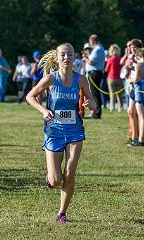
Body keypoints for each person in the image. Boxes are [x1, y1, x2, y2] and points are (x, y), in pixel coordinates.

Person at [26, 43, 96, 223]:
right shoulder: (50, 79)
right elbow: (30, 96)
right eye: (63, 55)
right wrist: (43, 110)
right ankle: (50, 179)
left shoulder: (81, 80)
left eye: (70, 54)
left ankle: (62, 213)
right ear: (57, 58)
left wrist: (91, 105)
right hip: (54, 131)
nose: (67, 57)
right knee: (56, 180)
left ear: (75, 57)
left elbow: (94, 105)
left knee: (70, 172)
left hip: (75, 131)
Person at [83, 34, 105, 118]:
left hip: (94, 73)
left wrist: (85, 59)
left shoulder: (97, 49)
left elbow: (92, 62)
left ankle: (96, 113)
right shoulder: (99, 48)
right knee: (94, 93)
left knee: (95, 94)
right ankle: (95, 112)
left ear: (93, 41)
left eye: (90, 41)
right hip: (95, 72)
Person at [105, 44, 123, 112]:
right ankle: (120, 108)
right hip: (119, 78)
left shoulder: (110, 59)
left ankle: (112, 108)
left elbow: (106, 69)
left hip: (111, 78)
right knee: (119, 94)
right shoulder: (120, 59)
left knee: (112, 95)